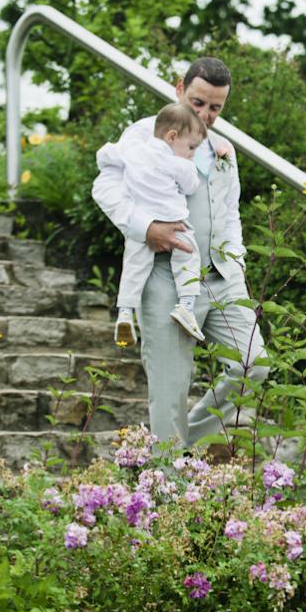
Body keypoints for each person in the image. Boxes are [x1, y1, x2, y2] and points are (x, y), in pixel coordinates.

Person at [92, 57, 269, 447]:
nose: (205, 115)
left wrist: (235, 260)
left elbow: (230, 211)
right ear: (178, 88)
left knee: (253, 366)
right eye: (198, 102)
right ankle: (166, 486)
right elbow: (104, 189)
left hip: (221, 278)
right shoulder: (142, 135)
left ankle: (186, 441)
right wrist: (146, 228)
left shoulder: (225, 149)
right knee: (170, 391)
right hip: (163, 278)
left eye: (215, 108)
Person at [98, 102, 208, 346]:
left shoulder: (135, 150)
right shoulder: (179, 163)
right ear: (172, 137)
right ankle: (186, 306)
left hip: (141, 224)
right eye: (191, 147)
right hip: (174, 222)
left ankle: (125, 313)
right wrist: (188, 166)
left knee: (134, 267)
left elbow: (107, 154)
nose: (192, 153)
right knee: (189, 258)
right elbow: (191, 185)